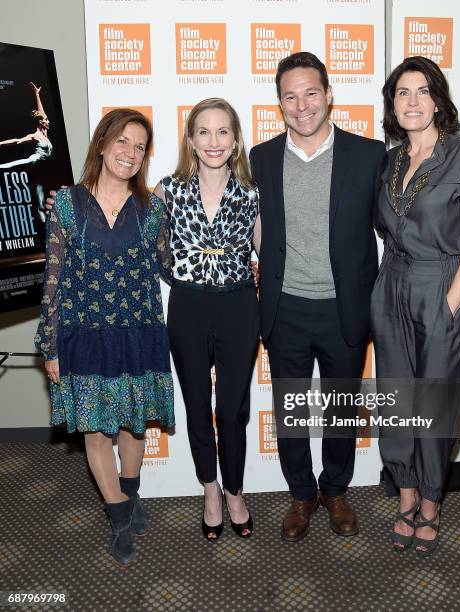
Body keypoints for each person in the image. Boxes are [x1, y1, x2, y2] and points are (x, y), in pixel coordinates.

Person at [249, 52, 386, 542]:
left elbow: (396, 230)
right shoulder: (261, 158)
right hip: (284, 309)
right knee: (291, 410)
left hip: (345, 309)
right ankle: (301, 494)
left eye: (311, 92)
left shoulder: (370, 155)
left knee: (340, 408)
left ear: (329, 95)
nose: (301, 104)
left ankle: (336, 490)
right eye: (290, 96)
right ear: (279, 103)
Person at [35, 108, 175, 566]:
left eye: (139, 146)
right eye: (122, 141)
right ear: (101, 144)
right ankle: (117, 516)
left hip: (138, 330)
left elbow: (171, 265)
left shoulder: (153, 208)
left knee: (135, 421)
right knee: (97, 428)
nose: (130, 153)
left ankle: (129, 493)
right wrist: (50, 343)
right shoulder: (67, 205)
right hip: (85, 333)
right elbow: (52, 278)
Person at [371, 56, 460, 555]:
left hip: (443, 285)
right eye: (403, 92)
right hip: (391, 286)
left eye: (423, 91)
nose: (413, 101)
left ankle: (430, 505)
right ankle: (405, 494)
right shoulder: (390, 159)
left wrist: (448, 306)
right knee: (397, 397)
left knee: (436, 403)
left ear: (439, 99)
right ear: (392, 104)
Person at [154, 98, 261, 541]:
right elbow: (136, 241)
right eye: (203, 132)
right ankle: (210, 489)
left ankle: (235, 489)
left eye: (222, 132)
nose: (213, 141)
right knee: (197, 404)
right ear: (191, 140)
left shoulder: (253, 193)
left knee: (232, 409)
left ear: (235, 140)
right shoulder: (167, 190)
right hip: (188, 307)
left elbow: (269, 255)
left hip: (239, 307)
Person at [0, 82, 53, 168]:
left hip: (43, 167)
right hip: (32, 161)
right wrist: (1, 143)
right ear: (41, 122)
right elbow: (17, 141)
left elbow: (42, 113)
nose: (48, 122)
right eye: (46, 120)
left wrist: (37, 94)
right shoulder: (35, 136)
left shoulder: (45, 133)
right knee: (11, 165)